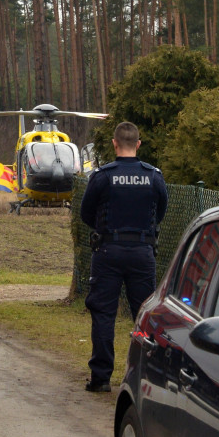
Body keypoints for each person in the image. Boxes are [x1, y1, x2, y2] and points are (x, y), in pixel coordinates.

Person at [79, 121, 167, 392]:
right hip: (142, 252)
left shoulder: (103, 176)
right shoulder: (153, 176)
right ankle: (147, 375)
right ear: (138, 144)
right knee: (144, 316)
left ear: (115, 144)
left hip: (108, 252)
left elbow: (86, 213)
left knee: (104, 313)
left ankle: (101, 377)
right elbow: (160, 210)